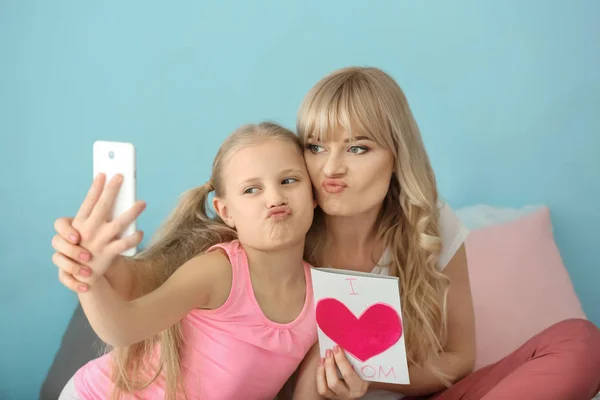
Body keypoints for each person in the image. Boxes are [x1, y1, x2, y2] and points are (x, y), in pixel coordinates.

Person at [52, 67, 600, 400]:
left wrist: (374, 380)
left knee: (580, 340)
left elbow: (459, 359)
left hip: (410, 392)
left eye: (358, 147)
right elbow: (141, 280)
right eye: (315, 147)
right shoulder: (265, 238)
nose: (331, 168)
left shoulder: (426, 224)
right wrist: (92, 266)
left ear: (395, 158)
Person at [55, 122, 321, 400]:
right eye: (251, 190)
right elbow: (123, 328)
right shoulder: (218, 272)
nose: (275, 198)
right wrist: (87, 276)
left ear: (313, 195)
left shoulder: (323, 296)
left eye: (289, 181)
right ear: (226, 211)